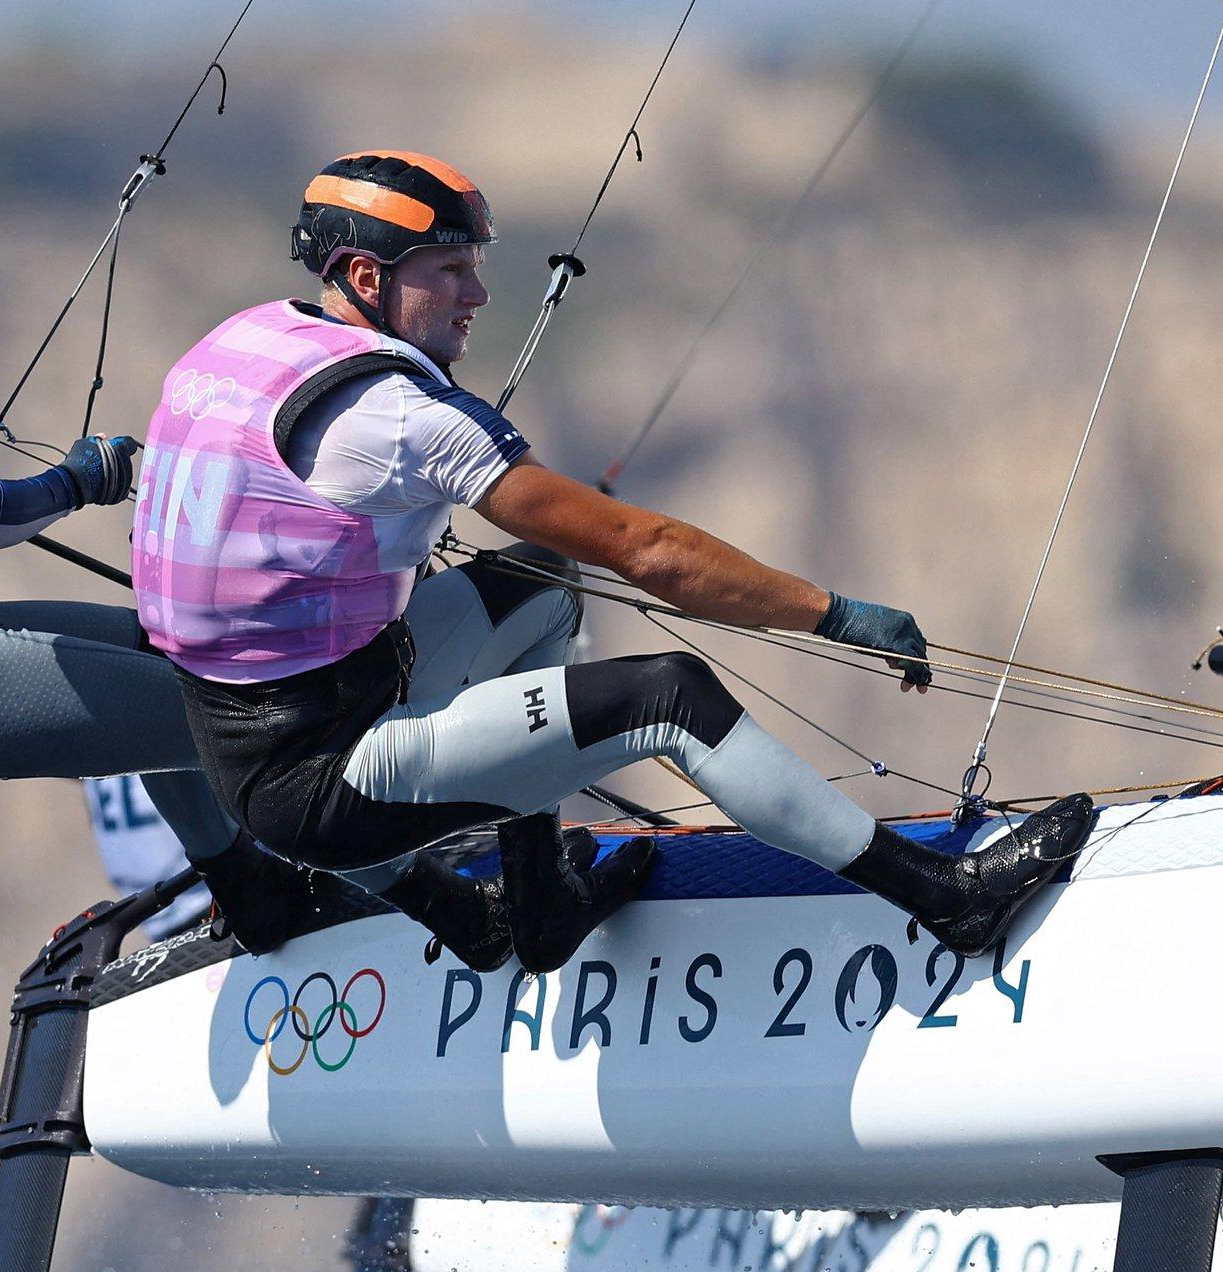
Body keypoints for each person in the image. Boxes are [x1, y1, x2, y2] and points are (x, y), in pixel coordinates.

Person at [132, 149, 1095, 971]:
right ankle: (946, 898)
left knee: (545, 580)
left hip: (267, 725)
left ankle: (539, 895)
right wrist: (833, 613)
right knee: (666, 696)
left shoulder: (247, 340)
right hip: (332, 775)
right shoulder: (399, 420)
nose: (479, 293)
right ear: (367, 276)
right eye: (450, 270)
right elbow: (649, 551)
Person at [0, 102, 478, 948]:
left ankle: (255, 893)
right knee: (250, 724)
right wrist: (80, 479)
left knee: (165, 650)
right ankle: (453, 910)